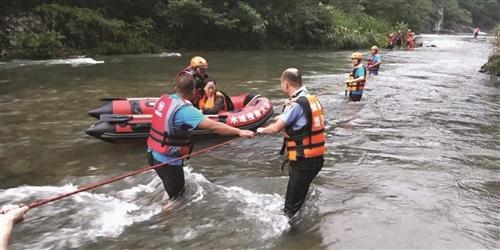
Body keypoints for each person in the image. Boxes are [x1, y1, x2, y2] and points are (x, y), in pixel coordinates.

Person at [147, 75, 254, 202]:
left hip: (152, 154)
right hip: (168, 162)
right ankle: (166, 220)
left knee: (170, 189)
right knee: (177, 200)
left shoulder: (164, 101)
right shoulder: (186, 111)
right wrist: (239, 131)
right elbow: (215, 127)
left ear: (175, 88)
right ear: (193, 92)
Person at [256, 68, 325, 219]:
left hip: (304, 162)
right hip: (316, 159)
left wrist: (259, 130)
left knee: (289, 211)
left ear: (286, 84)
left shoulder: (296, 105)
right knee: (299, 198)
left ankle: (292, 237)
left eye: (281, 83)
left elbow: (274, 129)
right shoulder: (311, 99)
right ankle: (305, 230)